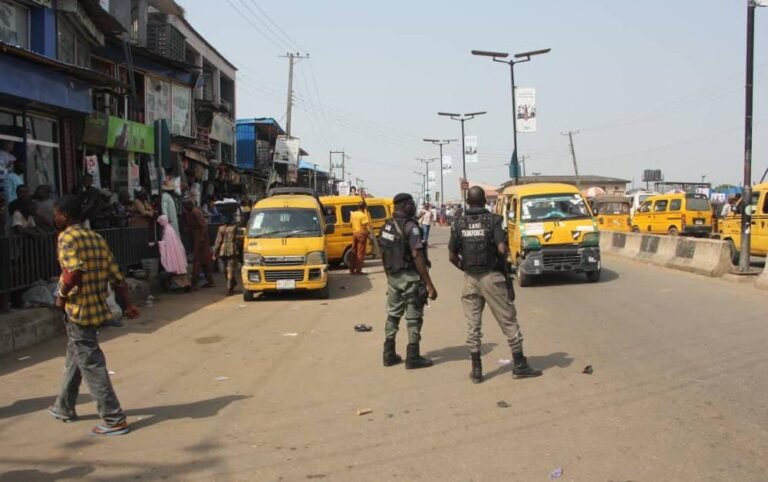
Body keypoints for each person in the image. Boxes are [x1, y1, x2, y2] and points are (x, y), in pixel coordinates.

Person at [47, 195, 140, 435]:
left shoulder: (67, 237)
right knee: (76, 354)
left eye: (56, 215)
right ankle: (64, 406)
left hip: (78, 309)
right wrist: (128, 304)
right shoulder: (96, 238)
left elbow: (73, 272)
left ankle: (114, 418)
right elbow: (117, 276)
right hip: (96, 307)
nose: (55, 219)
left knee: (90, 362)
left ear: (64, 216)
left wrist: (61, 296)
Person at [449, 186, 542, 384]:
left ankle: (476, 370)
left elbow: (451, 256)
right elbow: (501, 249)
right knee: (508, 320)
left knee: (473, 325)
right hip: (492, 277)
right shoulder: (494, 220)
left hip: (470, 279)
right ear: (484, 201)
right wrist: (505, 272)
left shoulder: (458, 223)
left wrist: (466, 267)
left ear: (467, 202)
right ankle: (519, 364)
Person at [378, 193, 438, 369]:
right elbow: (417, 255)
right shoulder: (411, 227)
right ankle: (413, 356)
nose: (414, 207)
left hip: (393, 277)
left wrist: (388, 276)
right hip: (410, 278)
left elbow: (383, 253)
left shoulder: (387, 226)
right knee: (414, 317)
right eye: (412, 204)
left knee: (393, 315)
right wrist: (429, 284)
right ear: (405, 206)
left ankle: (388, 354)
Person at [182, 198, 214, 289]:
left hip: (200, 238)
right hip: (197, 237)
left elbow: (204, 227)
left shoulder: (196, 212)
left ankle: (194, 283)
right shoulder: (189, 212)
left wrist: (201, 240)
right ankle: (210, 281)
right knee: (204, 262)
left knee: (197, 260)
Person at [213, 214, 240, 295]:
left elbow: (218, 241)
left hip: (223, 250)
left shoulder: (220, 228)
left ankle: (231, 285)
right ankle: (230, 287)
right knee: (230, 269)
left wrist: (215, 253)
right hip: (232, 249)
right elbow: (238, 239)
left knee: (226, 269)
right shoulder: (235, 228)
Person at [349, 201, 370, 275]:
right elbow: (364, 227)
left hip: (354, 233)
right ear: (364, 207)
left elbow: (350, 225)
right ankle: (358, 271)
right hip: (361, 234)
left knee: (353, 252)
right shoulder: (363, 215)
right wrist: (368, 235)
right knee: (360, 253)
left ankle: (351, 270)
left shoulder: (353, 214)